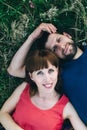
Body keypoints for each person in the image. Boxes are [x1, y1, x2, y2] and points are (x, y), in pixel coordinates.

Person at [7, 23, 87, 125]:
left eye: (59, 39)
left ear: (67, 35)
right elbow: (14, 70)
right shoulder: (55, 71)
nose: (62, 46)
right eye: (54, 49)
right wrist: (32, 37)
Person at [0, 49, 87, 130]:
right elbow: (3, 114)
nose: (47, 78)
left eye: (50, 71)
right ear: (31, 76)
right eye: (40, 73)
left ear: (57, 71)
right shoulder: (25, 88)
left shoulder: (66, 107)